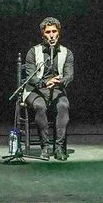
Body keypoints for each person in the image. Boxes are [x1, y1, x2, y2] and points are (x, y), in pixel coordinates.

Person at [22, 17, 73, 160]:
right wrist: (44, 83)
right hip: (35, 90)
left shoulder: (66, 53)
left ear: (59, 33)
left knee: (63, 105)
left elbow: (69, 75)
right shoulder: (33, 52)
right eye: (48, 32)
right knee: (40, 106)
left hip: (56, 89)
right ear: (42, 34)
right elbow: (30, 77)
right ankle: (45, 146)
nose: (51, 35)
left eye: (54, 31)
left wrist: (59, 81)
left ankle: (59, 147)